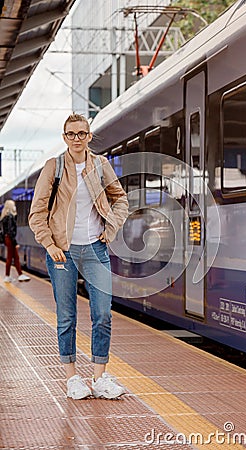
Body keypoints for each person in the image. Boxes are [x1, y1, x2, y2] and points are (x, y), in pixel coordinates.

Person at [29, 113, 129, 400]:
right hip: (63, 251)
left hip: (96, 249)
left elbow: (120, 198)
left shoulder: (100, 165)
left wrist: (110, 229)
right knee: (67, 316)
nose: (76, 139)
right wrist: (49, 245)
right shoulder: (54, 167)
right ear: (64, 137)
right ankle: (72, 376)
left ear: (89, 136)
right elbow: (37, 212)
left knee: (102, 314)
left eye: (81, 133)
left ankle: (99, 378)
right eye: (70, 134)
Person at [0, 199, 30, 283]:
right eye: (13, 205)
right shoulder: (9, 217)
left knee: (14, 257)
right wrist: (15, 242)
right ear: (10, 206)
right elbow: (10, 231)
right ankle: (15, 275)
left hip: (7, 239)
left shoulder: (5, 217)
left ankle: (16, 275)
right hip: (10, 239)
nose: (15, 207)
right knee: (12, 257)